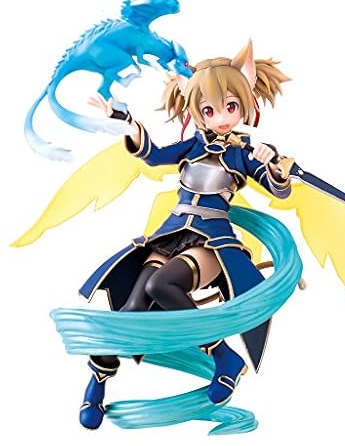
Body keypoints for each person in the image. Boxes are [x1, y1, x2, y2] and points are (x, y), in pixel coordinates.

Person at [72, 40, 292, 429]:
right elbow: (154, 156)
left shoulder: (243, 154)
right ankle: (97, 385)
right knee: (131, 311)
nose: (221, 117)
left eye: (230, 107)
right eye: (209, 110)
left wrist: (274, 164)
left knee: (161, 285)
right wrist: (126, 120)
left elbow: (278, 189)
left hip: (212, 243)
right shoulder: (193, 145)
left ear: (244, 103)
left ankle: (224, 357)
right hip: (170, 235)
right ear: (196, 110)